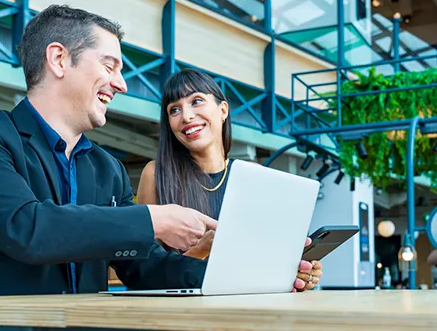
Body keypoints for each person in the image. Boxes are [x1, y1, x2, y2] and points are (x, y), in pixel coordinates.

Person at [0, 5, 218, 298]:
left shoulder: (108, 169)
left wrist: (230, 275)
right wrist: (152, 219)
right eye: (109, 67)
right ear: (59, 59)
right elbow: (26, 229)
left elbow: (145, 268)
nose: (121, 85)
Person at [137, 69, 323, 291]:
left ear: (223, 110)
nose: (186, 116)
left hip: (245, 306)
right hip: (181, 311)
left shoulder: (254, 176)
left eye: (196, 101)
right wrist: (201, 250)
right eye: (174, 110)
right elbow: (144, 271)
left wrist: (298, 272)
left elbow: (263, 260)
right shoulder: (156, 174)